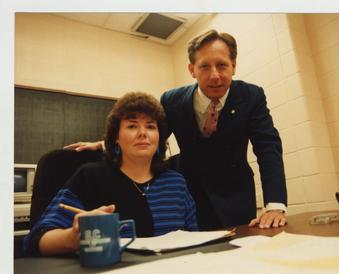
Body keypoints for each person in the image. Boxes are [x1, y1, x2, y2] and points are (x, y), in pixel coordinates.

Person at [65, 29, 287, 231]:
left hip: (236, 196)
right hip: (188, 194)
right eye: (204, 67)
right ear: (192, 70)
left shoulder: (252, 96)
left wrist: (275, 205)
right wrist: (108, 143)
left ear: (234, 65)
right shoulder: (172, 100)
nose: (215, 75)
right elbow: (153, 136)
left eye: (221, 65)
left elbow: (268, 149)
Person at [24, 92, 198, 256]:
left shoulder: (176, 183)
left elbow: (194, 238)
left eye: (151, 126)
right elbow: (35, 239)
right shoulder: (90, 177)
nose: (143, 133)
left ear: (159, 137)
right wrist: (72, 237)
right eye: (132, 126)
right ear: (116, 137)